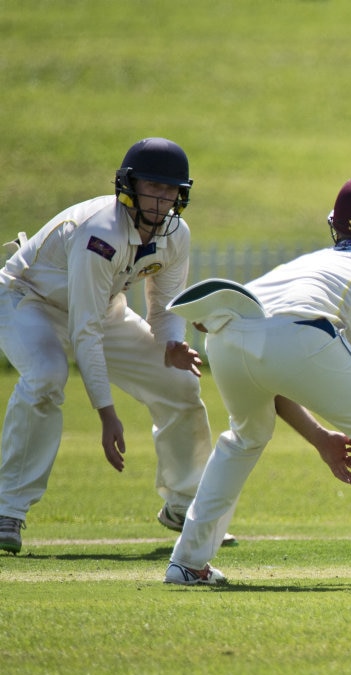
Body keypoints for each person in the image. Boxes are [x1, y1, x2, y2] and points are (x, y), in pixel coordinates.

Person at [163, 173, 351, 588]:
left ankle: (187, 562)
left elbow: (271, 367)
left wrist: (321, 438)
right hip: (303, 332)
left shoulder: (307, 264)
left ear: (335, 226)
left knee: (244, 438)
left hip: (227, 331)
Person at [0, 137, 233, 555]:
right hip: (28, 300)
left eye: (170, 190)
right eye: (152, 187)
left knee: (179, 384)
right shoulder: (100, 233)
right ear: (129, 185)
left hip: (101, 307)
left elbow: (162, 306)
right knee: (47, 376)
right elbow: (83, 330)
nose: (161, 199)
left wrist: (172, 344)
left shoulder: (176, 236)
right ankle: (7, 510)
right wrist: (107, 414)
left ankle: (184, 506)